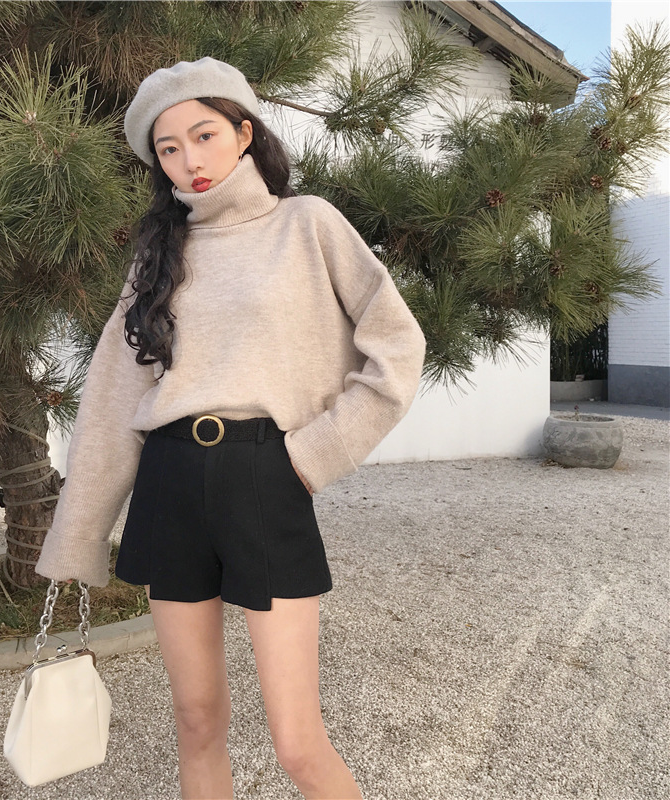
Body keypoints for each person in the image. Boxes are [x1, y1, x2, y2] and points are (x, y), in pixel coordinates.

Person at [36, 57, 426, 800]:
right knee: (196, 722)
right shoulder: (158, 257)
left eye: (205, 134)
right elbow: (114, 401)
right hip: (169, 484)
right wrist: (77, 537)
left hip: (266, 474)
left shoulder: (307, 224)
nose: (190, 158)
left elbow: (398, 347)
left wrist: (315, 454)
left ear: (244, 133)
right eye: (169, 148)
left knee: (298, 744)